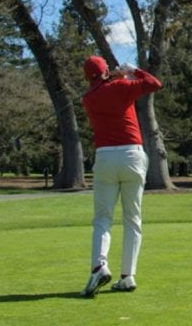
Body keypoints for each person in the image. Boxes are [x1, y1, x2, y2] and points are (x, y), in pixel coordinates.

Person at [79, 55, 163, 298]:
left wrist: (115, 78)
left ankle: (99, 266)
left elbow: (106, 90)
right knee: (132, 219)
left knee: (103, 219)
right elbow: (154, 83)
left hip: (105, 158)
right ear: (106, 70)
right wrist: (131, 70)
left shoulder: (88, 98)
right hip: (132, 156)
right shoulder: (121, 86)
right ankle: (127, 276)